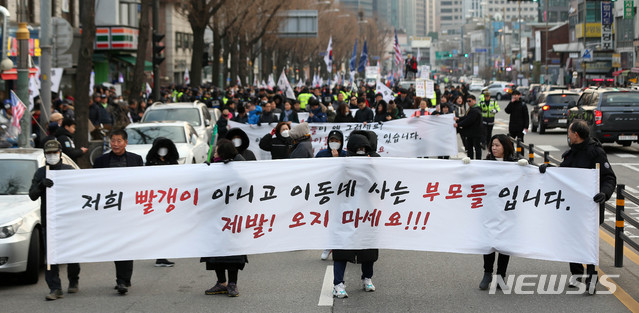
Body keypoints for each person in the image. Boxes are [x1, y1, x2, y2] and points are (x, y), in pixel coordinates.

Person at [540, 119, 616, 295]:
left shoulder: (595, 153)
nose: (567, 134)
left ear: (576, 134)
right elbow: (564, 174)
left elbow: (609, 178)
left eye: (569, 131)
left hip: (589, 208)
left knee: (587, 242)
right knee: (570, 242)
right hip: (570, 208)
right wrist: (548, 169)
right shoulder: (571, 153)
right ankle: (576, 274)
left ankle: (591, 276)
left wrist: (604, 194)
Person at [93, 129, 144, 295]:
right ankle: (121, 279)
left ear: (126, 142)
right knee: (117, 243)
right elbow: (93, 184)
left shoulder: (136, 160)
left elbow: (143, 183)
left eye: (119, 141)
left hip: (130, 209)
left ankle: (124, 278)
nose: (115, 144)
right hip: (110, 209)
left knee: (127, 243)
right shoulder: (100, 161)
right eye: (113, 141)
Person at [29, 140, 80, 301]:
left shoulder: (69, 170)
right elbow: (32, 195)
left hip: (68, 220)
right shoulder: (40, 173)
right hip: (49, 221)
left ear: (60, 153)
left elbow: (80, 191)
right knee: (51, 256)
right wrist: (40, 186)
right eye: (48, 153)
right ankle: (55, 287)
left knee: (71, 253)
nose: (52, 156)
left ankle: (73, 280)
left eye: (54, 153)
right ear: (45, 155)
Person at [478, 134, 528, 290]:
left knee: (504, 243)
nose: (494, 148)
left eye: (497, 145)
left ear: (505, 147)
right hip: (490, 209)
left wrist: (526, 168)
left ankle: (501, 276)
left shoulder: (515, 164)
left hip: (508, 210)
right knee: (490, 243)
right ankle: (487, 274)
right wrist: (467, 167)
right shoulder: (486, 164)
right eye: (492, 145)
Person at [332, 133, 378, 298]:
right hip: (345, 213)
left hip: (367, 213)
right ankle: (338, 283)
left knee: (368, 248)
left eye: (363, 149)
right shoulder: (341, 165)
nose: (361, 152)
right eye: (357, 149)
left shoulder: (374, 163)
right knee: (342, 248)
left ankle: (367, 278)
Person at [201, 139, 248, 297]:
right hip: (213, 217)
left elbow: (246, 186)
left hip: (232, 217)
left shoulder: (238, 170)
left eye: (216, 152)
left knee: (232, 251)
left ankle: (232, 284)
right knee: (215, 251)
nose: (214, 154)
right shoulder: (211, 169)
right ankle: (221, 282)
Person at [145, 137, 179, 267]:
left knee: (167, 228)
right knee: (158, 228)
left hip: (169, 199)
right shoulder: (150, 163)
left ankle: (163, 255)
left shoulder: (172, 162)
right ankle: (160, 256)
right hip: (156, 200)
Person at [455, 95, 483, 160]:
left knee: (477, 148)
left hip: (476, 133)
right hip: (471, 132)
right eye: (467, 101)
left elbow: (469, 120)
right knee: (469, 147)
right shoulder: (472, 108)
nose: (468, 102)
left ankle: (478, 161)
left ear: (474, 101)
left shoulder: (475, 110)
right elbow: (466, 117)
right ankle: (471, 160)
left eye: (469, 101)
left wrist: (458, 124)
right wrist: (458, 118)